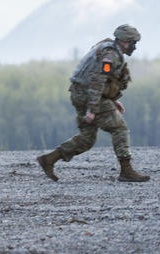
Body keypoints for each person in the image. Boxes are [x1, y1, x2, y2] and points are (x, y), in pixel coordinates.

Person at [37, 24, 149, 182]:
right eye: (132, 42)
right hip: (87, 96)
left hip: (80, 93)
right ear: (124, 41)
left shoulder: (108, 49)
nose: (134, 46)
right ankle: (126, 171)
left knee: (87, 139)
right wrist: (92, 109)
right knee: (119, 128)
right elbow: (98, 80)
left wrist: (113, 100)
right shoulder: (110, 55)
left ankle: (49, 159)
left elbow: (105, 81)